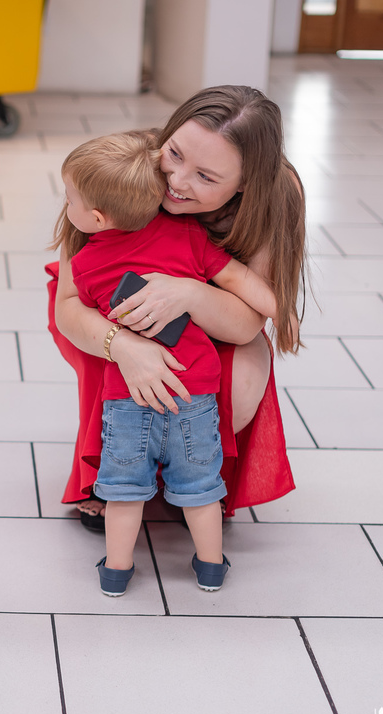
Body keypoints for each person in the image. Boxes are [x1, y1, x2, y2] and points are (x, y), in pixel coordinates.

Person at [47, 85, 307, 530]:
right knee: (111, 364)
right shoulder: (124, 170)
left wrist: (189, 293)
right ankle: (108, 471)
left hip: (213, 311)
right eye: (174, 154)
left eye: (206, 177)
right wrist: (122, 345)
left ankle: (193, 472)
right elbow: (70, 306)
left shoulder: (276, 197)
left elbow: (247, 324)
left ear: (245, 185)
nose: (178, 182)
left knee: (238, 381)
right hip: (106, 308)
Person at [56, 131, 278, 595]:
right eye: (174, 158)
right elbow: (241, 281)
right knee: (200, 487)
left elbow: (74, 307)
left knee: (122, 489)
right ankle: (211, 567)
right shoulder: (188, 236)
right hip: (194, 392)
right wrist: (281, 309)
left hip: (127, 396)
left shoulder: (87, 264)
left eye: (69, 199)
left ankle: (116, 571)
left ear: (97, 217)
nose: (178, 180)